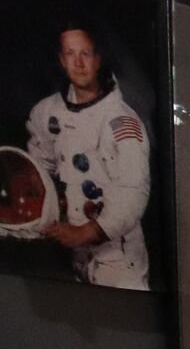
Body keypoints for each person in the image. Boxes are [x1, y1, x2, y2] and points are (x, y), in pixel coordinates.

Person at [24, 23, 151, 289]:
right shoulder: (47, 112)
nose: (79, 63)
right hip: (72, 257)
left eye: (86, 53)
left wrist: (87, 232)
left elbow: (133, 192)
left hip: (117, 259)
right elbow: (39, 167)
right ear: (62, 59)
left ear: (98, 59)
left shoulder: (122, 122)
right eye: (71, 54)